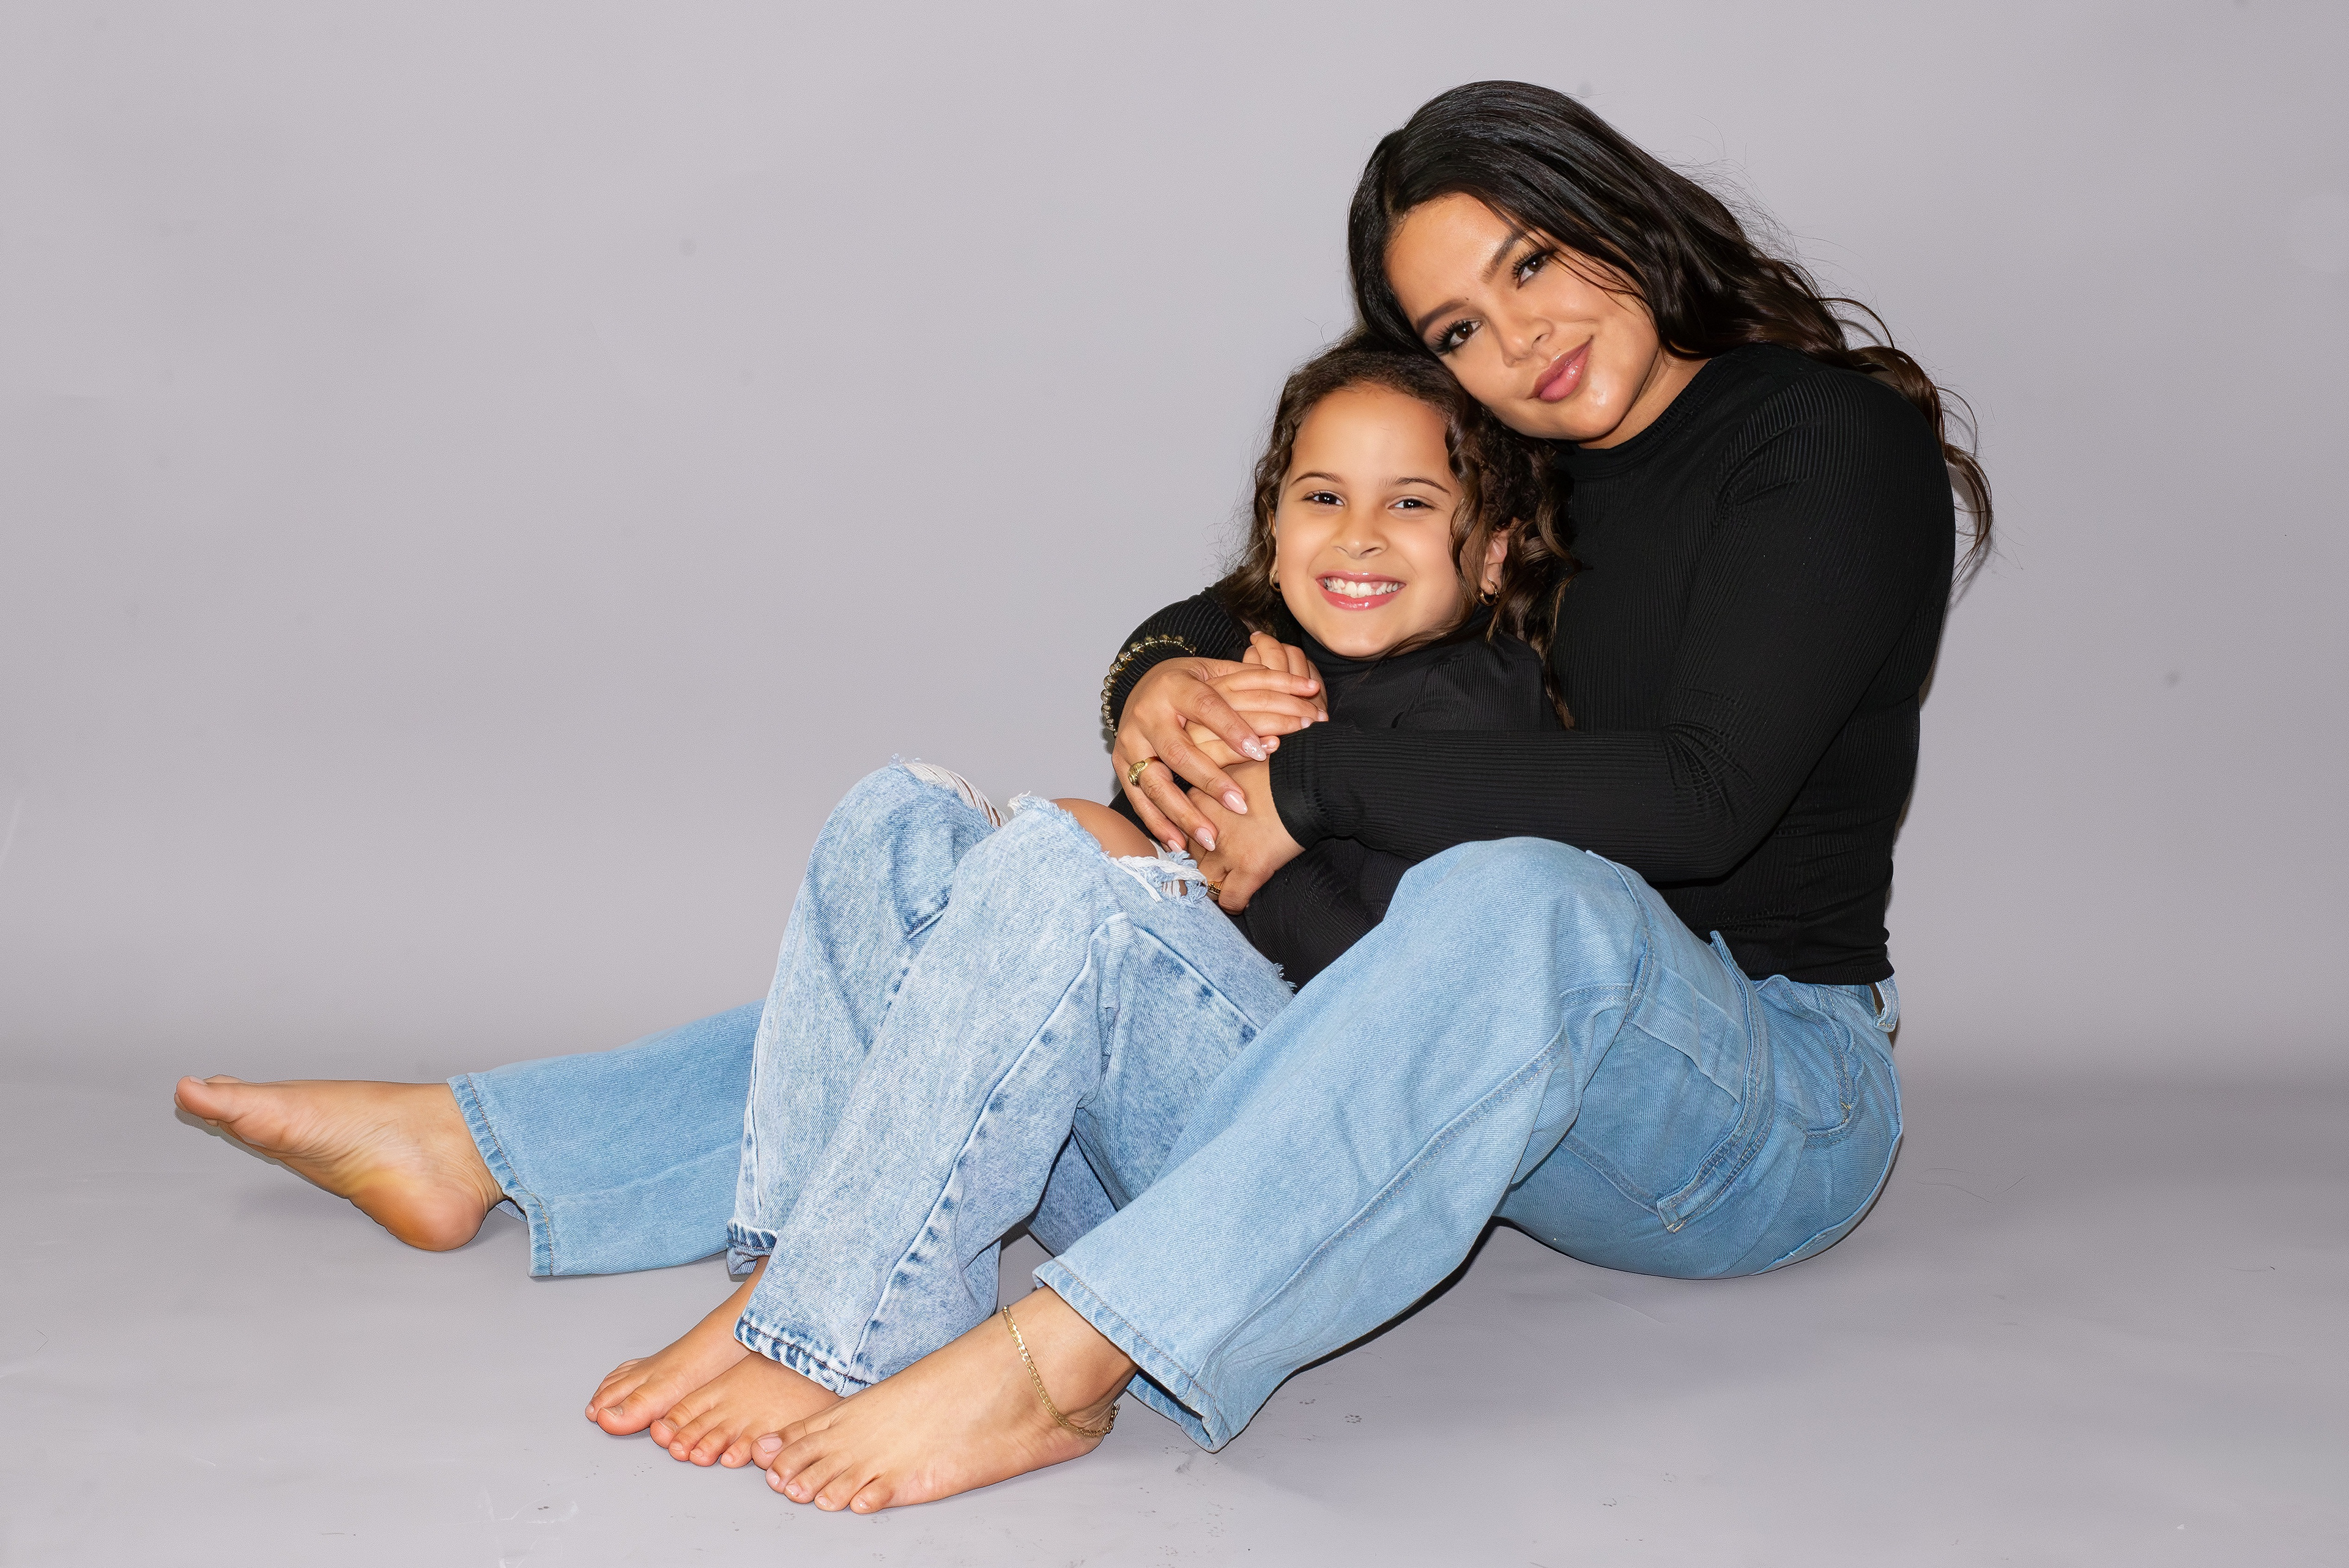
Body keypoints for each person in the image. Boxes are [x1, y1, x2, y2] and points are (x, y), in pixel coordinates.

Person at [739, 78, 1987, 1512]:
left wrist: (1313, 779)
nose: (1518, 341)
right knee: (971, 867)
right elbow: (1287, 568)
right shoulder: (1520, 459)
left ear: (1622, 216)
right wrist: (1159, 679)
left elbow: (1704, 797)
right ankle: (781, 1273)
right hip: (1459, 1066)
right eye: (1458, 330)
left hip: (1754, 1101)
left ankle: (1059, 1362)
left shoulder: (1823, 438)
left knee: (1518, 891)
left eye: (1532, 263)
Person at [173, 339, 1567, 1461]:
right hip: (1110, 1136)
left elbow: (1422, 1009)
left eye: (1411, 503)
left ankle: (847, 1326)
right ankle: (795, 1263)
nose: (1359, 534)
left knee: (1056, 857)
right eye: (1322, 497)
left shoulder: (1476, 712)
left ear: (1494, 551)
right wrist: (1190, 747)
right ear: (1269, 524)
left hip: (1273, 1155)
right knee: (902, 814)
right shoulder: (1257, 670)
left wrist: (1258, 841)